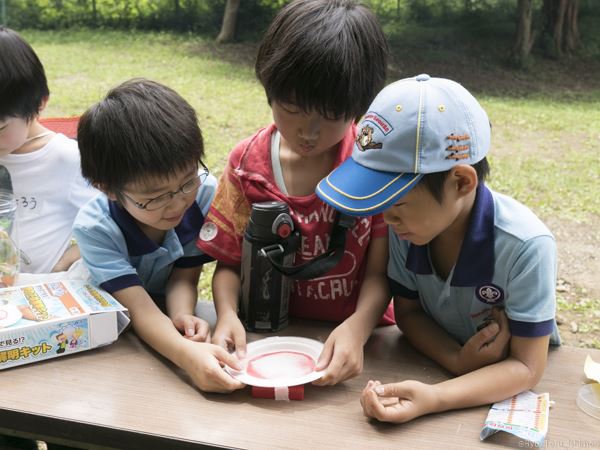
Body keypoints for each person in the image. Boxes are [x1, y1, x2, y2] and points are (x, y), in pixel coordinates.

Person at [316, 74, 561, 423]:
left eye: (397, 203)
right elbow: (409, 314)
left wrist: (434, 397)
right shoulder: (409, 231)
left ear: (461, 182)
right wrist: (456, 360)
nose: (387, 219)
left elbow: (525, 366)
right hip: (440, 367)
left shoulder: (526, 247)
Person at [197, 0, 392, 386]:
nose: (309, 132)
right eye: (292, 108)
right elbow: (231, 264)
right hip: (267, 340)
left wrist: (359, 327)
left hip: (363, 342)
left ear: (358, 106)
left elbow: (380, 273)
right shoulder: (246, 166)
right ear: (270, 90)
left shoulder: (375, 168)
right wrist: (227, 316)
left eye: (331, 115)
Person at [72, 79, 244, 393]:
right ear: (107, 188)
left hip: (155, 317)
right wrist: (188, 357)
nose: (178, 202)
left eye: (187, 181)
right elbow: (139, 310)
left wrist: (181, 315)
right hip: (105, 328)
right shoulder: (96, 229)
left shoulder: (203, 195)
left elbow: (184, 276)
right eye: (155, 197)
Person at [0, 26, 97, 274]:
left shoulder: (66, 160)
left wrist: (67, 260)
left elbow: (115, 224)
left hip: (35, 295)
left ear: (40, 103)